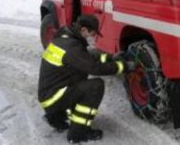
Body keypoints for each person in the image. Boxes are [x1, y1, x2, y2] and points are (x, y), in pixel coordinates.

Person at [38, 14, 136, 143]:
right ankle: (77, 133)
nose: (94, 38)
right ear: (83, 30)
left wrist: (111, 58)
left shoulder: (66, 39)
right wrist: (123, 66)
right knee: (95, 86)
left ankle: (56, 117)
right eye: (93, 34)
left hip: (52, 93)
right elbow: (94, 68)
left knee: (80, 82)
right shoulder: (71, 47)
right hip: (55, 96)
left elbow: (87, 57)